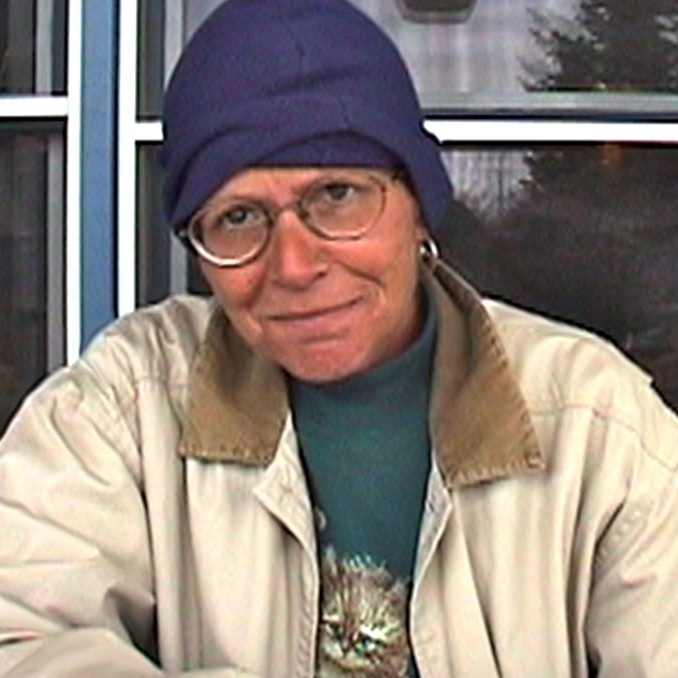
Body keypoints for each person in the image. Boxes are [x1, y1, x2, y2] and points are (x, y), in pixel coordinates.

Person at [1, 0, 677, 676]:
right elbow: (20, 635)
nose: (294, 265)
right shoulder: (125, 408)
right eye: (238, 216)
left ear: (418, 205)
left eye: (336, 196)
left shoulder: (597, 427)